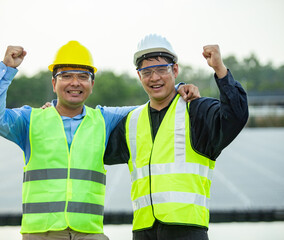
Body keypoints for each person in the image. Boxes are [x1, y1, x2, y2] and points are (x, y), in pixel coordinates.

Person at [0, 40, 200, 239]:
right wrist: (6, 70)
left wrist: (178, 89)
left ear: (92, 84)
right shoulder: (30, 120)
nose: (75, 83)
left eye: (83, 77)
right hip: (41, 233)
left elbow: (152, 106)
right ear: (53, 83)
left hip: (89, 233)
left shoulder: (104, 119)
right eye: (66, 76)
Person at [104, 34, 249, 240]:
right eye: (147, 72)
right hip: (143, 231)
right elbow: (94, 147)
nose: (154, 78)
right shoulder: (131, 121)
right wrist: (56, 113)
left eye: (162, 70)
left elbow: (236, 115)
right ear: (139, 76)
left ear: (175, 70)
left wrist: (220, 70)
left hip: (188, 230)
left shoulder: (196, 112)